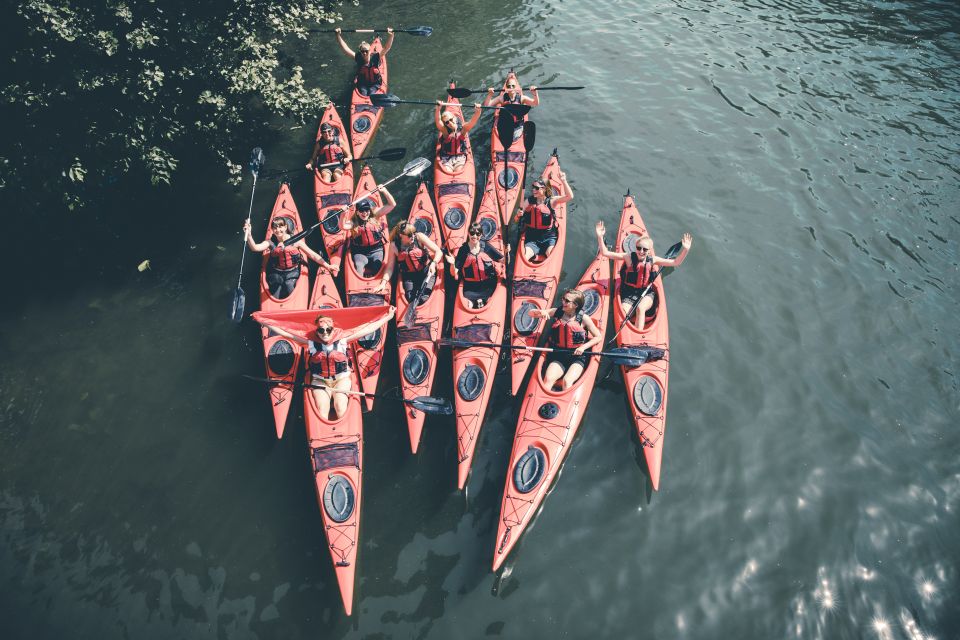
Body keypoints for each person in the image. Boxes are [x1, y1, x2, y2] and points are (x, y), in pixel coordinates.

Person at [259, 308, 395, 419]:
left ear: (333, 329)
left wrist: (387, 317)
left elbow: (367, 329)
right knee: (322, 410)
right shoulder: (310, 342)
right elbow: (287, 333)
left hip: (341, 379)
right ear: (316, 331)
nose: (325, 333)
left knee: (340, 407)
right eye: (321, 330)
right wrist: (264, 322)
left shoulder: (343, 340)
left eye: (328, 330)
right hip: (320, 381)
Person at [596, 221, 693, 324]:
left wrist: (685, 250)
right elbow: (605, 253)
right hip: (628, 292)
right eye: (639, 248)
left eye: (645, 249)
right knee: (623, 314)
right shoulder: (628, 257)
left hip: (646, 292)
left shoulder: (653, 260)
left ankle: (639, 337)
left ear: (649, 250)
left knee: (640, 309)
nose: (641, 251)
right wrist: (600, 236)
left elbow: (676, 262)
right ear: (635, 247)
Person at [525, 289, 602, 390]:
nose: (563, 302)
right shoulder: (557, 312)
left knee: (567, 381)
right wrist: (541, 312)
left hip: (577, 356)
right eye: (563, 299)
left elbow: (598, 337)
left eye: (567, 300)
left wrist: (583, 347)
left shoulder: (584, 318)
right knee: (548, 379)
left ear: (575, 305)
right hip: (558, 353)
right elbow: (530, 314)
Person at [244, 216, 330, 299]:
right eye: (275, 228)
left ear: (285, 227)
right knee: (275, 294)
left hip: (292, 272)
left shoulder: (296, 241)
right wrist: (249, 235)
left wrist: (328, 266)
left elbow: (313, 255)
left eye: (280, 227)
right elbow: (255, 248)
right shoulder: (270, 243)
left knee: (289, 286)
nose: (278, 230)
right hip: (276, 273)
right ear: (272, 231)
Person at [513, 172, 573, 261]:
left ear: (544, 189)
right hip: (532, 237)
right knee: (525, 257)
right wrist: (518, 215)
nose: (533, 190)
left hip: (548, 237)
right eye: (533, 187)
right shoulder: (528, 201)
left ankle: (541, 256)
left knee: (551, 255)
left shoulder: (552, 201)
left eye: (536, 188)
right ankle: (537, 257)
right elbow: (515, 220)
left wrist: (563, 180)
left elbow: (569, 197)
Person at [382, 221, 444, 302]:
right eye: (409, 235)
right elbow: (390, 268)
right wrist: (383, 283)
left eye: (414, 233)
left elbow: (438, 251)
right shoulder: (394, 246)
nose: (413, 236)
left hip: (426, 272)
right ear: (401, 235)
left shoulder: (419, 237)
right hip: (409, 277)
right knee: (410, 299)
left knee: (423, 298)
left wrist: (433, 263)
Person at [342, 185, 395, 276]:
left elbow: (392, 205)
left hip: (376, 249)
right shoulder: (353, 222)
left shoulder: (375, 215)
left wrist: (385, 191)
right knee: (358, 266)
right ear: (357, 212)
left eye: (367, 210)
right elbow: (342, 226)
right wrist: (343, 214)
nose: (365, 213)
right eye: (362, 211)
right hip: (360, 251)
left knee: (377, 266)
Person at [450, 222, 504, 308]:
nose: (474, 236)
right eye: (472, 233)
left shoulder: (486, 246)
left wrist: (508, 253)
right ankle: (475, 303)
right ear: (468, 233)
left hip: (488, 286)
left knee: (490, 304)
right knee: (468, 305)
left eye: (478, 233)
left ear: (481, 235)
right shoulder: (463, 250)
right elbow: (454, 273)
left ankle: (483, 302)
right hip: (470, 288)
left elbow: (502, 260)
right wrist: (452, 263)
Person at [335, 27, 395, 97]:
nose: (364, 53)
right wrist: (338, 35)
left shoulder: (376, 57)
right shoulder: (358, 57)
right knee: (364, 93)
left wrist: (391, 35)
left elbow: (386, 47)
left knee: (372, 93)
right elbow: (345, 49)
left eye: (366, 51)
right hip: (362, 84)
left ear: (370, 51)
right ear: (360, 52)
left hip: (375, 83)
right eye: (362, 51)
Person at [483, 75, 539, 141]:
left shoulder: (522, 98)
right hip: (505, 123)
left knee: (514, 139)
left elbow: (535, 103)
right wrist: (490, 95)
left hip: (517, 125)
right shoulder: (501, 98)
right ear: (506, 87)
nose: (511, 87)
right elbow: (487, 105)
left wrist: (535, 93)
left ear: (516, 87)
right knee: (504, 137)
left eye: (513, 86)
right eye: (509, 86)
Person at [435, 100, 482, 172]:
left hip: (460, 157)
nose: (450, 123)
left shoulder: (463, 128)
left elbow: (473, 121)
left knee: (459, 170)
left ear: (454, 118)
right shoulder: (445, 131)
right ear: (445, 124)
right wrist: (438, 109)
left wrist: (478, 111)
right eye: (447, 122)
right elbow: (438, 121)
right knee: (447, 171)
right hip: (446, 157)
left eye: (451, 119)